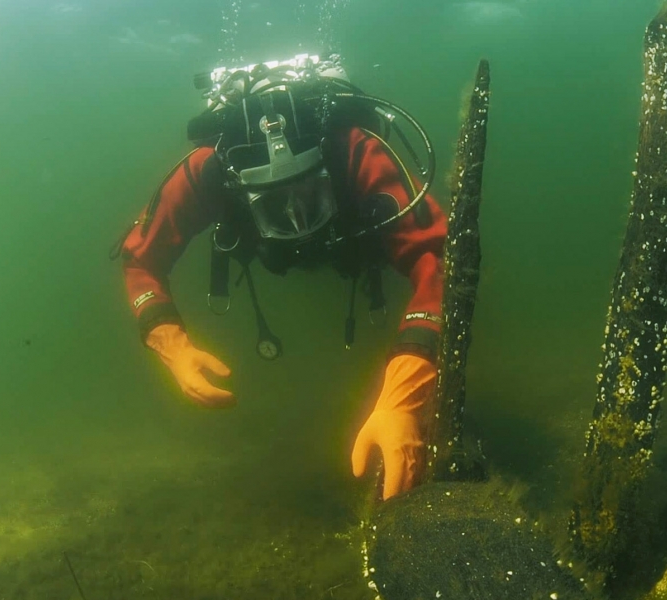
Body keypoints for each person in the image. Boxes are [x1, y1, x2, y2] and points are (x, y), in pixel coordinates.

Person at [113, 54, 447, 500]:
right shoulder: (209, 170)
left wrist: (405, 397)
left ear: (328, 171)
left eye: (311, 198)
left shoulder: (356, 150)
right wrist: (170, 343)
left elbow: (438, 257)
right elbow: (140, 259)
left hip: (352, 238)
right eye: (274, 208)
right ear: (239, 189)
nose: (297, 219)